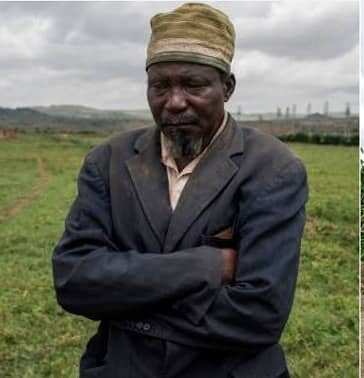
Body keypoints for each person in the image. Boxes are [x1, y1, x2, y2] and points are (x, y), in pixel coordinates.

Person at [51, 3, 307, 377]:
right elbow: (74, 281)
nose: (174, 102)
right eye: (160, 86)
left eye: (193, 84)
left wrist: (125, 304)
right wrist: (205, 265)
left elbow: (260, 315)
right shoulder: (107, 161)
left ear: (227, 87)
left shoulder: (274, 169)